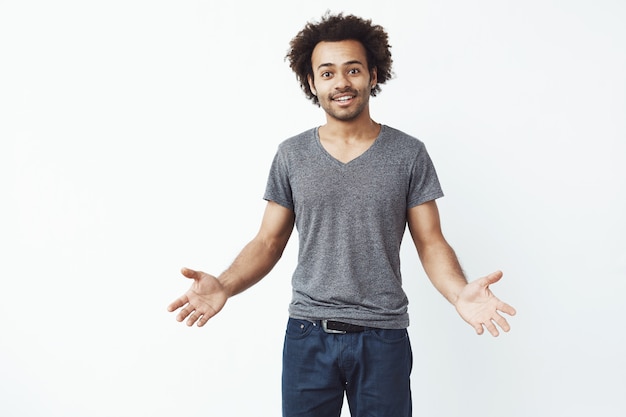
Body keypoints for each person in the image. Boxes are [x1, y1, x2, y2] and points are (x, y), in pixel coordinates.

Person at [167, 12, 516, 417]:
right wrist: (224, 285)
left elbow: (430, 240)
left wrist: (459, 293)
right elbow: (268, 242)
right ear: (312, 83)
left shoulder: (408, 154)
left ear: (372, 74)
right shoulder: (292, 155)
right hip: (307, 334)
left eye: (352, 70)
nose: (342, 83)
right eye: (328, 73)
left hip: (383, 338)